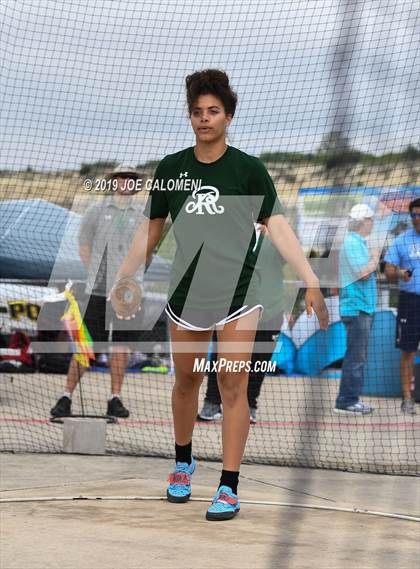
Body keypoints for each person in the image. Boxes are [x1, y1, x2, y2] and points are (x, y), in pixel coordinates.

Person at [112, 69, 328, 521]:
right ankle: (183, 461)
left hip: (240, 295)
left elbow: (279, 227)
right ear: (190, 117)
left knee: (233, 385)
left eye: (213, 111)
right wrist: (127, 277)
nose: (204, 119)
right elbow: (149, 235)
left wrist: (309, 278)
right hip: (188, 295)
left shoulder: (249, 170)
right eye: (197, 112)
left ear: (229, 116)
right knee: (187, 382)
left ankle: (229, 486)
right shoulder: (172, 170)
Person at [50, 164, 145, 419]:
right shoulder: (96, 210)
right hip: (98, 290)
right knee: (87, 344)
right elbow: (83, 246)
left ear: (136, 183)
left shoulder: (144, 214)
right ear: (113, 181)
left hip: (129, 292)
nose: (126, 181)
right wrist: (99, 276)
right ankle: (66, 396)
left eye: (131, 178)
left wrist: (128, 281)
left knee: (122, 345)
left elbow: (145, 251)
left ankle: (115, 398)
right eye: (122, 177)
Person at [198, 225, 284, 424]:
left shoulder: (275, 234)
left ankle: (250, 405)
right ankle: (212, 404)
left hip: (270, 311)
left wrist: (274, 234)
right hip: (233, 307)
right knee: (221, 358)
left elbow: (294, 256)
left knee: (259, 361)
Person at [334, 204, 378, 415]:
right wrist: (375, 258)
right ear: (363, 222)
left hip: (363, 308)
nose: (373, 223)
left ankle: (349, 399)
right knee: (355, 357)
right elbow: (363, 273)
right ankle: (347, 401)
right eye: (370, 219)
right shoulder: (352, 243)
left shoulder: (359, 243)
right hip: (356, 308)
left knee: (357, 356)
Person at [384, 197, 420, 415]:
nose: (416, 219)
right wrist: (398, 273)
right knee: (407, 350)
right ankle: (407, 399)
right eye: (413, 215)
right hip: (410, 302)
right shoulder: (402, 241)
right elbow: (387, 269)